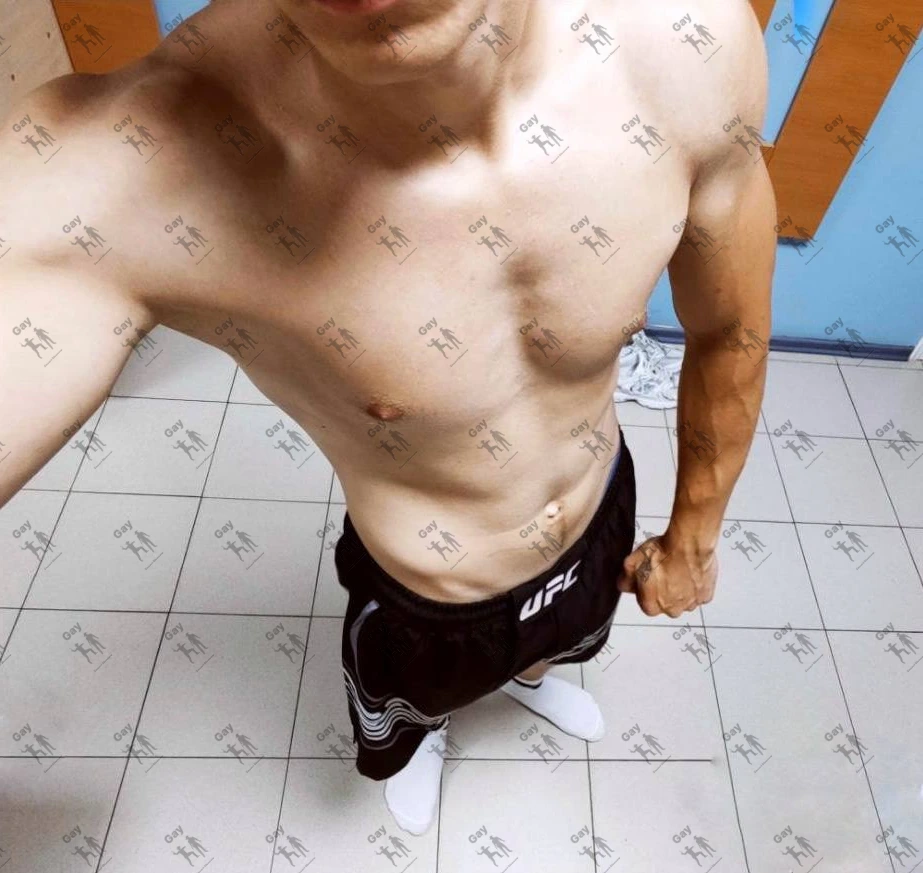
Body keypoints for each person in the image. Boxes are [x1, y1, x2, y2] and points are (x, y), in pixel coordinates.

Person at [0, 0, 774, 834]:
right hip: (429, 600)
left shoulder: (683, 44)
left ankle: (530, 676)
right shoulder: (120, 174)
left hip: (598, 520)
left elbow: (729, 328)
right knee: (412, 708)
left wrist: (693, 538)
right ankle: (425, 734)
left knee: (560, 644)